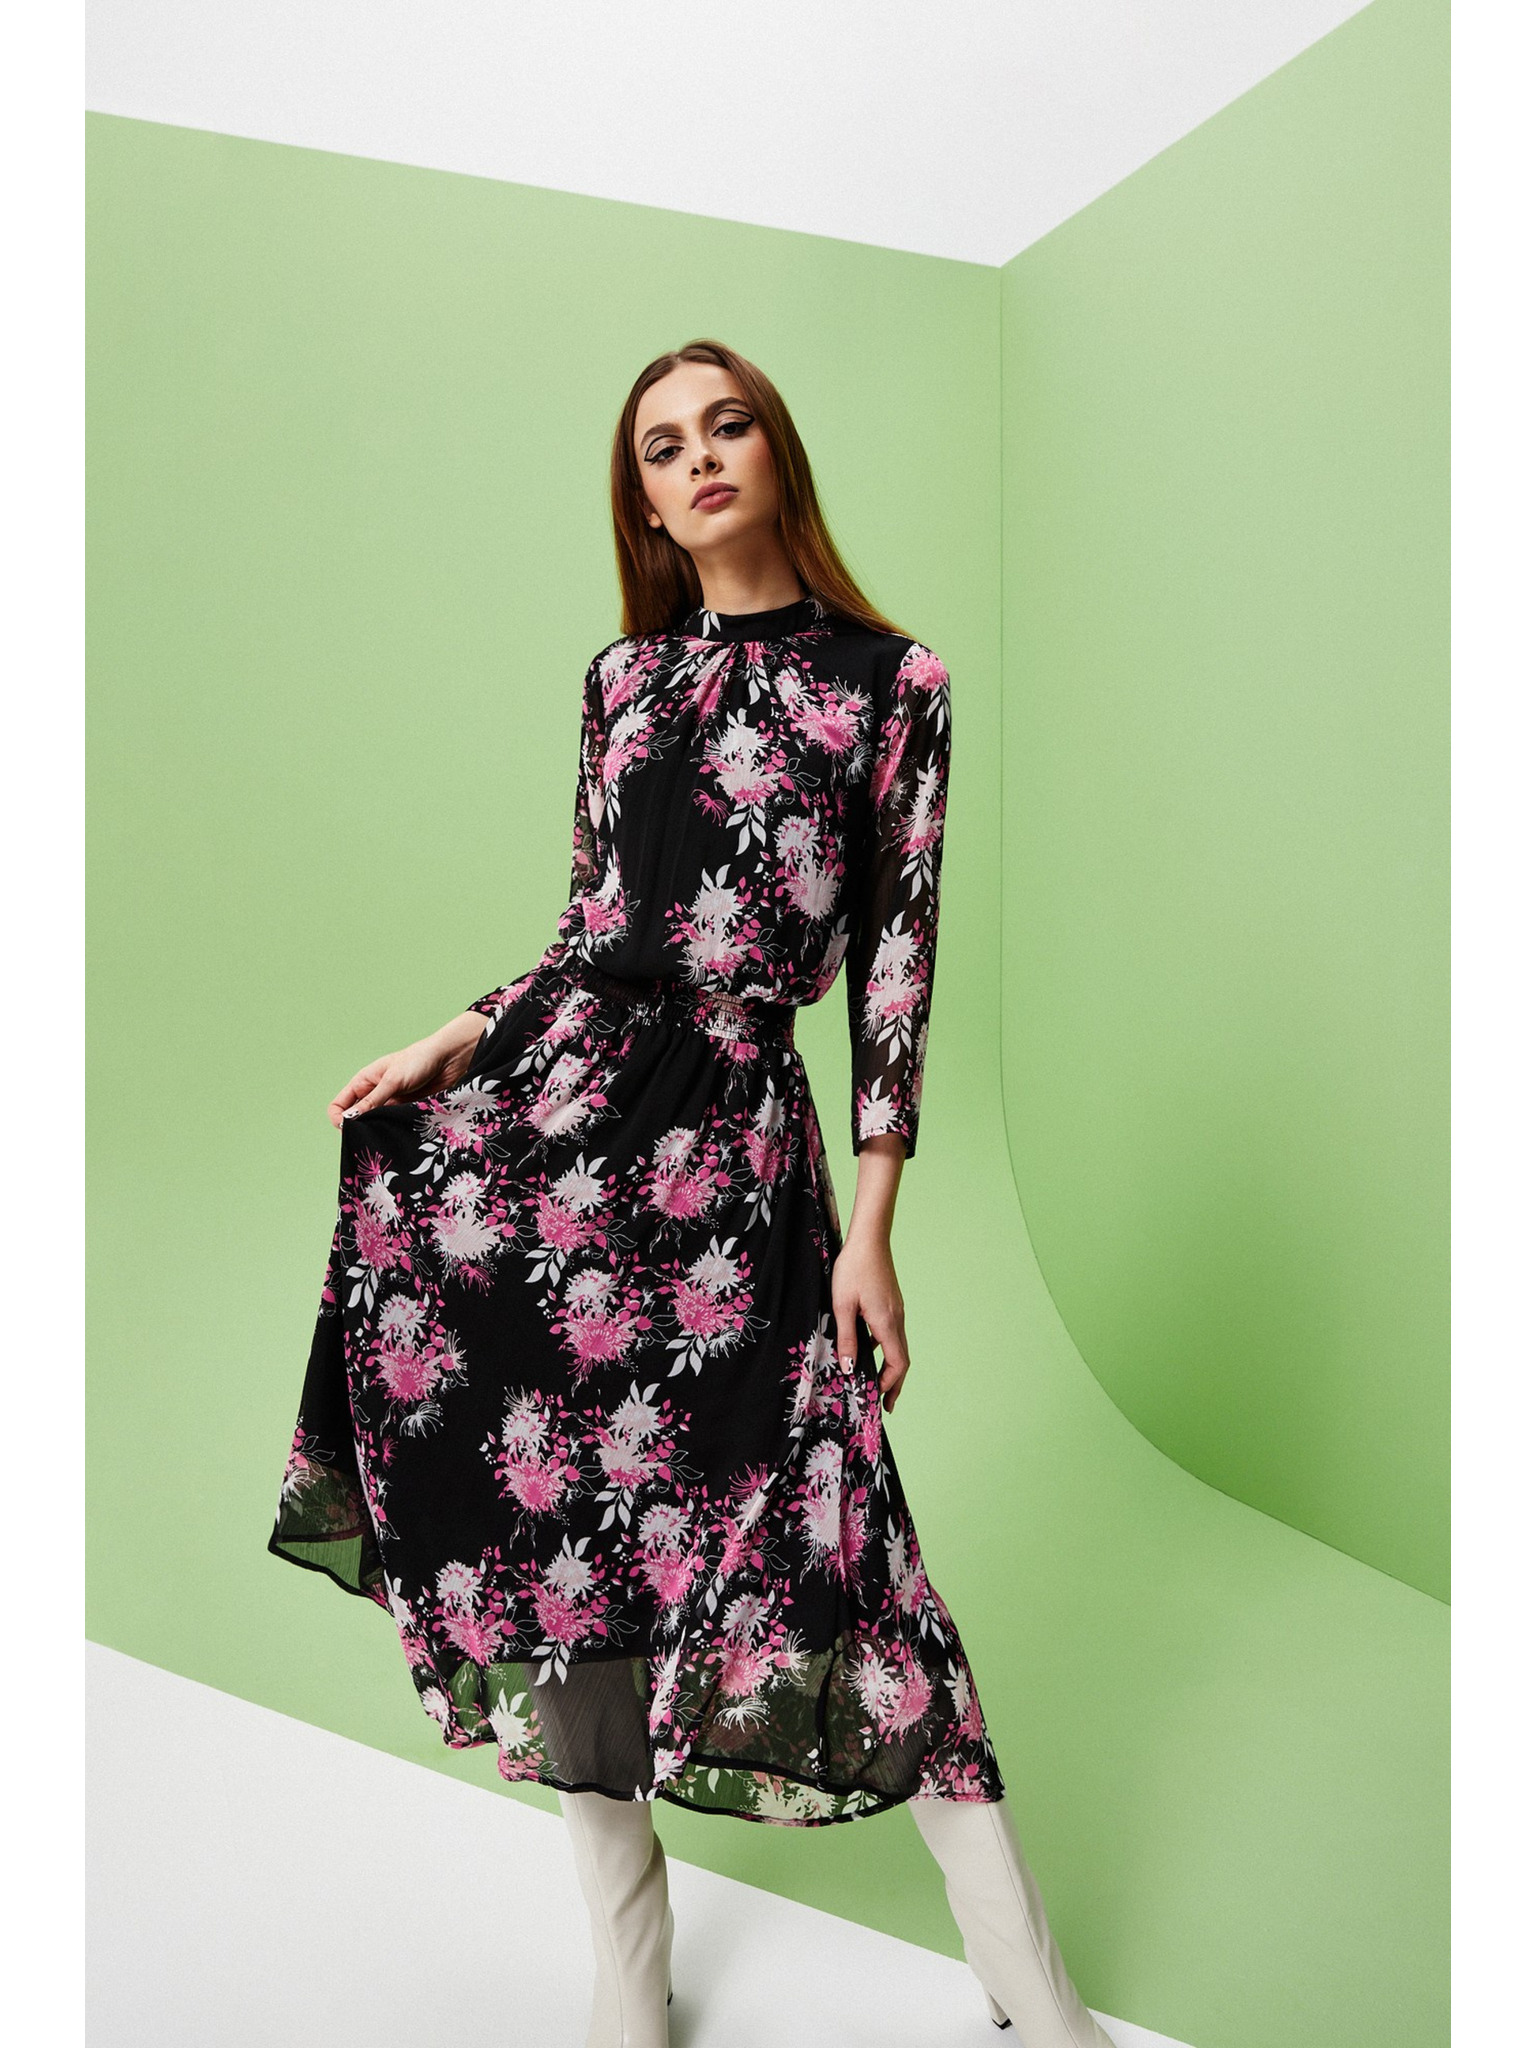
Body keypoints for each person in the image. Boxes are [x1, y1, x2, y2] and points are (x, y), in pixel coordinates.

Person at [269, 339, 1113, 2047]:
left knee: (853, 1546)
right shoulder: (624, 681)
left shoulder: (894, 683)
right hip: (570, 1132)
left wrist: (872, 1229)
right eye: (663, 446)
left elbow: (895, 978)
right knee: (572, 1545)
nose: (699, 458)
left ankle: (1035, 1993)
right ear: (644, 501)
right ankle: (630, 1989)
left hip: (740, 1157)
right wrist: (458, 1034)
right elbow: (590, 930)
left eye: (726, 426)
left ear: (776, 452)